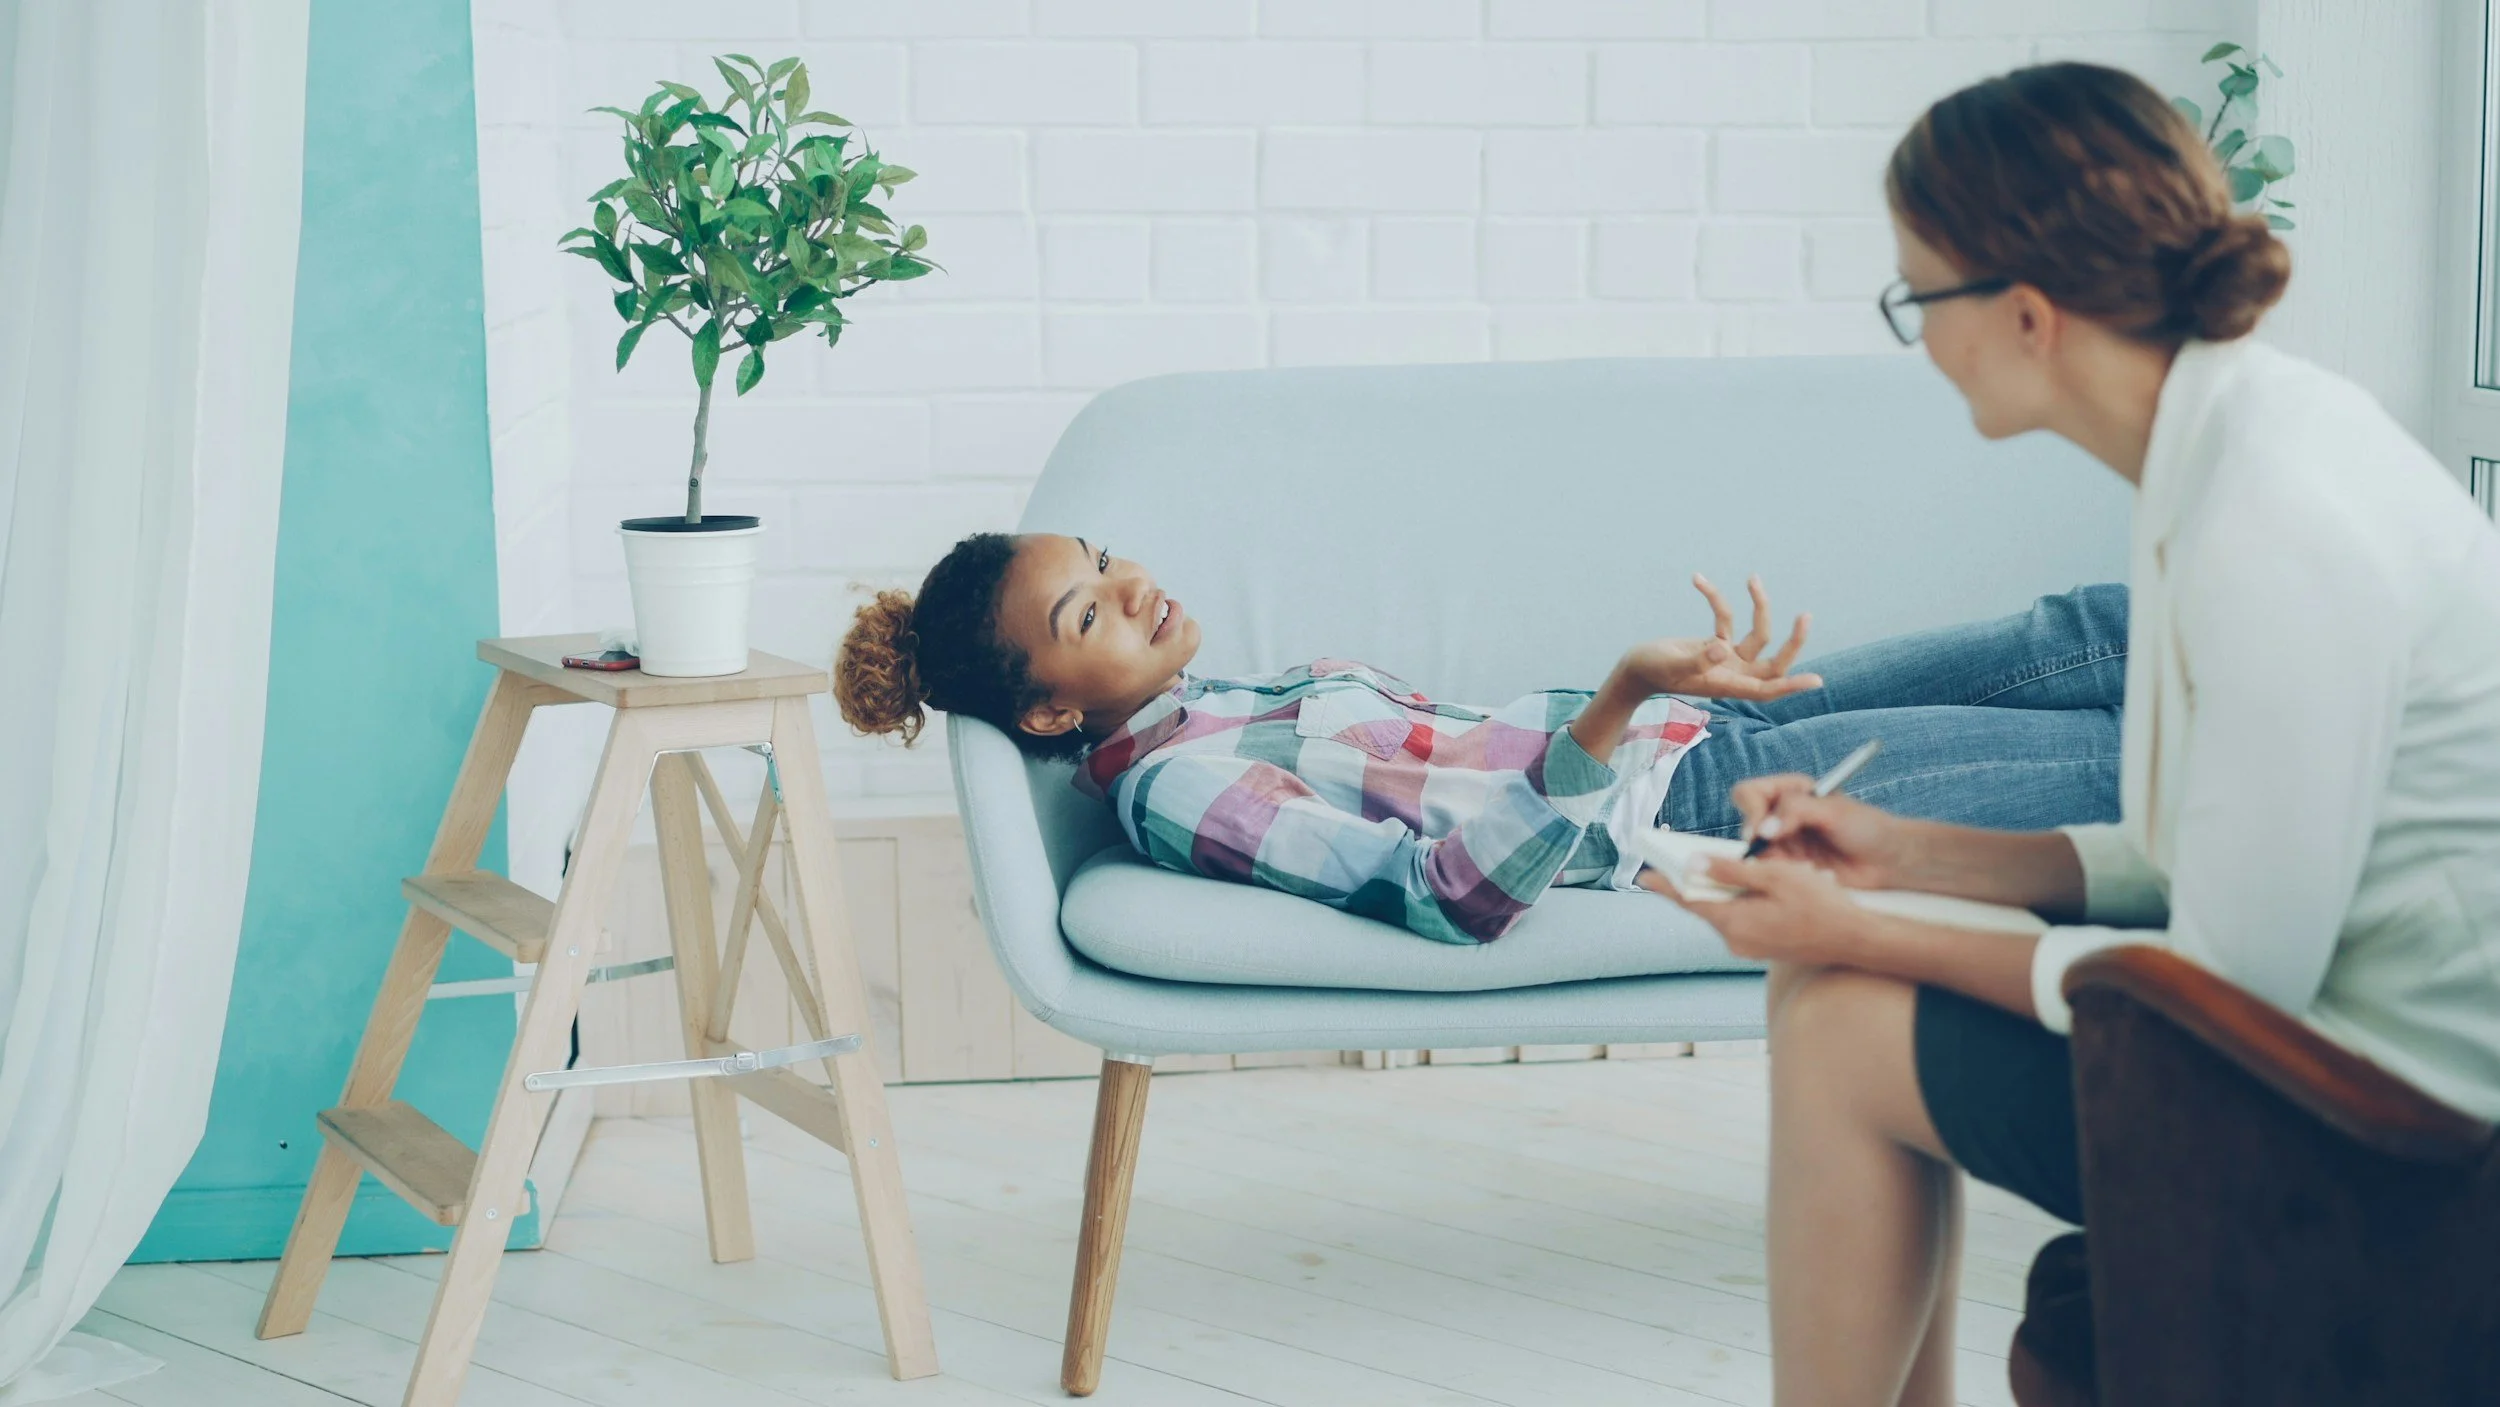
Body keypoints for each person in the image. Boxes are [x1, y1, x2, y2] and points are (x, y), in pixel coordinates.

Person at [1641, 62, 2500, 1407]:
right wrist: (1905, 852)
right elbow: (2178, 856)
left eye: (1916, 296)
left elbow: (2232, 980)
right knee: (1824, 987)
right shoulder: (2223, 444)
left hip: (2403, 1129)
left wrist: (1862, 928)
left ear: (2027, 313)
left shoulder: (2268, 519)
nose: (1919, 336)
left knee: (1840, 1018)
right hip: (2329, 1042)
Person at [833, 520, 2130, 945]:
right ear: (1054, 708)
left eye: (1106, 560)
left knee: (2077, 629)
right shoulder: (1182, 791)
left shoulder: (1210, 700)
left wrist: (1656, 697)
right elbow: (1447, 896)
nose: (1129, 585)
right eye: (1085, 609)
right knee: (2125, 763)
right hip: (1690, 793)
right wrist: (1616, 706)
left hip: (1694, 718)